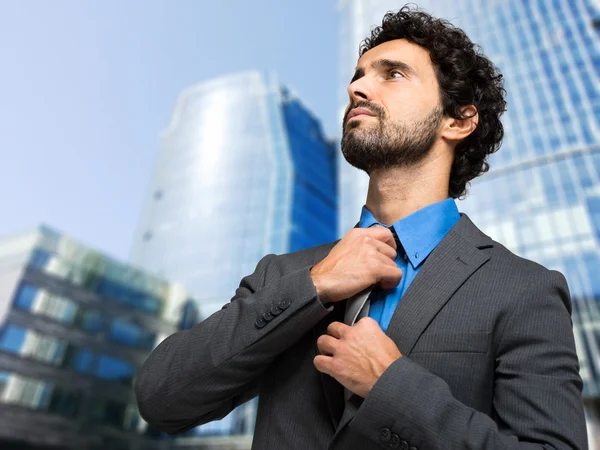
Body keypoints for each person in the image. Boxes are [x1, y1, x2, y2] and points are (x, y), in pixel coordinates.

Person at [134, 6, 588, 449]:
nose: (358, 89)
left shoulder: (522, 288)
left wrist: (392, 389)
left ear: (458, 120)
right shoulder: (285, 274)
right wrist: (314, 285)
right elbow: (161, 398)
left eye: (392, 74)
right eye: (357, 77)